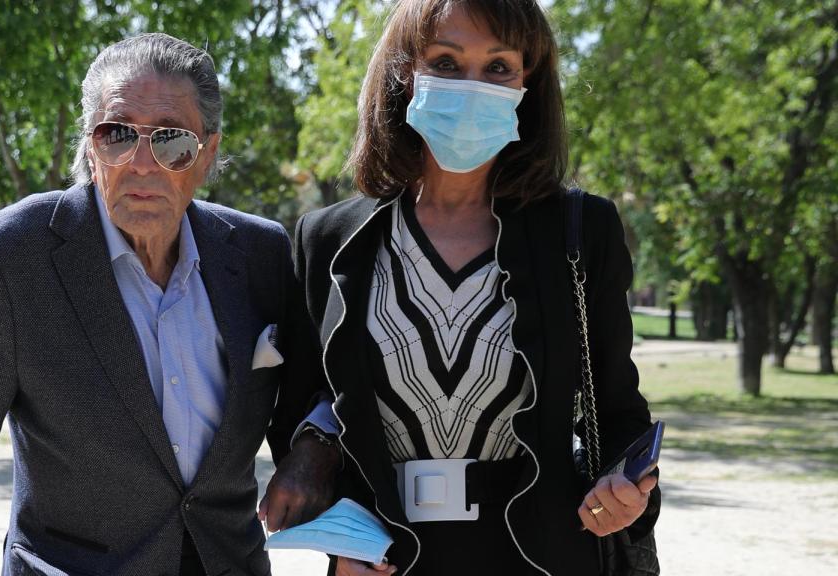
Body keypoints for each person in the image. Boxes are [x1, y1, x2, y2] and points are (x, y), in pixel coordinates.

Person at [0, 33, 328, 576]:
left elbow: (311, 402)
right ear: (89, 144)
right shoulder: (14, 255)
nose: (142, 163)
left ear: (208, 153)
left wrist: (314, 451)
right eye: (118, 135)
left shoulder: (259, 255)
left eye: (172, 142)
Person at [263, 1, 661, 574]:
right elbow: (307, 411)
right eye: (446, 62)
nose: (473, 86)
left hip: (544, 557)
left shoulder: (581, 230)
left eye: (499, 67)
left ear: (530, 82)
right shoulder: (328, 240)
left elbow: (619, 409)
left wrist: (629, 489)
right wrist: (338, 539)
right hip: (383, 561)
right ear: (405, 73)